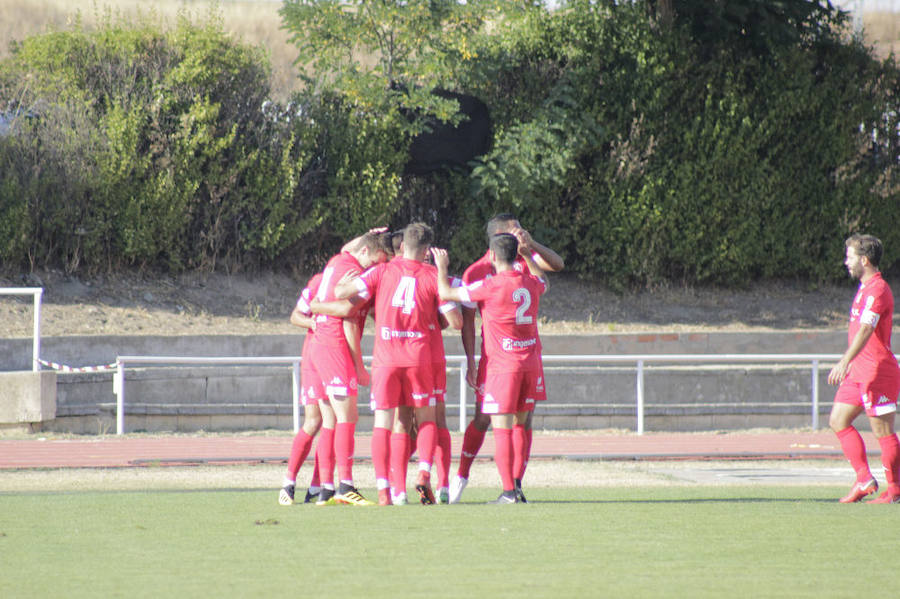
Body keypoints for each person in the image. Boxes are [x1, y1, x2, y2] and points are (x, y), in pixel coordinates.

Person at [336, 222, 461, 505]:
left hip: (386, 360)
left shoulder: (380, 271)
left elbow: (342, 294)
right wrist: (441, 279)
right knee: (427, 418)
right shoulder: (431, 276)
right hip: (419, 359)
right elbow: (456, 322)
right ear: (428, 250)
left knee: (386, 424)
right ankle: (424, 475)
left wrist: (348, 280)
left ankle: (388, 492)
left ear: (401, 246)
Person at [450, 213, 564, 503]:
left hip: (518, 356)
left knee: (522, 422)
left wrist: (530, 246)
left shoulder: (522, 259)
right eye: (516, 229)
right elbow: (467, 322)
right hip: (494, 360)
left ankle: (514, 485)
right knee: (483, 419)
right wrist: (472, 363)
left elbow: (557, 265)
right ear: (500, 235)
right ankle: (462, 475)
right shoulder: (476, 272)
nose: (522, 231)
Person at [304, 231, 392, 505]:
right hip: (335, 344)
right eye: (378, 259)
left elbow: (349, 246)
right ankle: (345, 485)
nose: (379, 266)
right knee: (347, 417)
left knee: (330, 419)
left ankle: (326, 488)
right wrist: (359, 365)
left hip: (320, 344)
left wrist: (367, 235)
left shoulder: (339, 259)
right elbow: (347, 316)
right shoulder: (355, 273)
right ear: (366, 253)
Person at [828, 234, 900, 504]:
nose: (846, 262)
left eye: (850, 257)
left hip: (876, 372)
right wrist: (851, 364)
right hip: (859, 371)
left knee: (882, 432)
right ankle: (864, 480)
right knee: (837, 420)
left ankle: (894, 490)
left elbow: (867, 329)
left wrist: (845, 360)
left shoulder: (878, 290)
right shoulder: (864, 288)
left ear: (864, 260)